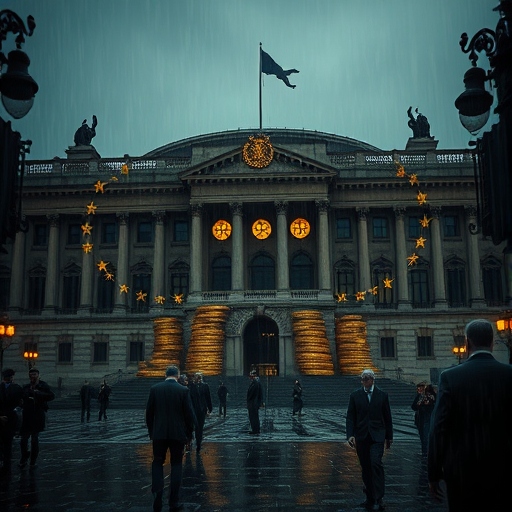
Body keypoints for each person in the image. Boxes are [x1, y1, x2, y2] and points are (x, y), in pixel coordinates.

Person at [428, 319, 512, 510]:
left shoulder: (450, 377)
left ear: (467, 343)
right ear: (492, 343)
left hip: (461, 470)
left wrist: (433, 474)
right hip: (503, 468)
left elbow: (437, 429)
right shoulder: (508, 374)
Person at [145, 365, 195, 512]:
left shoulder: (155, 389)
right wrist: (189, 435)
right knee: (176, 464)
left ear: (165, 375)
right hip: (177, 435)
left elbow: (149, 414)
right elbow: (189, 416)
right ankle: (173, 500)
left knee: (157, 463)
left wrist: (152, 432)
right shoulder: (183, 390)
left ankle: (157, 497)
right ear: (178, 376)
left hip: (159, 434)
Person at [346, 369, 393, 511]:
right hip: (361, 436)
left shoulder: (382, 395)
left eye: (368, 378)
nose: (365, 381)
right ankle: (370, 496)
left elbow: (387, 417)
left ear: (373, 379)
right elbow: (351, 417)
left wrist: (389, 437)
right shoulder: (355, 395)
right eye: (363, 379)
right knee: (365, 467)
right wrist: (350, 435)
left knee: (375, 463)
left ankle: (379, 497)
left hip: (377, 436)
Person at [19, 368, 55, 468]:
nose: (32, 376)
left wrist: (37, 394)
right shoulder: (26, 386)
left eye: (34, 374)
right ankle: (24, 457)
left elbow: (51, 396)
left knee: (34, 438)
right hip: (27, 414)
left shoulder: (43, 385)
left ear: (38, 375)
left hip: (38, 414)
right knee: (23, 439)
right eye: (31, 374)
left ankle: (33, 460)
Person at [0, 369, 23, 477]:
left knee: (8, 444)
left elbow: (21, 402)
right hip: (4, 417)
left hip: (10, 419)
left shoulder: (17, 388)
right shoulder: (16, 388)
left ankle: (6, 467)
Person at [189, 372, 212, 453]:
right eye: (196, 377)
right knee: (192, 426)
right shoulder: (191, 386)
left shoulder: (205, 386)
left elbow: (208, 397)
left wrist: (209, 408)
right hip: (193, 409)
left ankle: (199, 443)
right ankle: (191, 440)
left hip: (202, 409)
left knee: (200, 427)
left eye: (199, 378)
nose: (198, 379)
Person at [411, 383, 435, 456]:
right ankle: (424, 451)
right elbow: (413, 406)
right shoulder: (419, 396)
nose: (418, 390)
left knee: (426, 436)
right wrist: (419, 404)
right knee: (422, 435)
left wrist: (425, 404)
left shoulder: (431, 396)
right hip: (420, 419)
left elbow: (433, 405)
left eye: (420, 388)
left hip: (428, 418)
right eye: (418, 388)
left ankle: (427, 452)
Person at [246, 370, 263, 435]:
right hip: (253, 402)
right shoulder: (255, 382)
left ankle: (255, 430)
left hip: (253, 403)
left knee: (254, 417)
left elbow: (254, 393)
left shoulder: (255, 383)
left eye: (251, 375)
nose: (250, 377)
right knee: (253, 417)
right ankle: (255, 429)